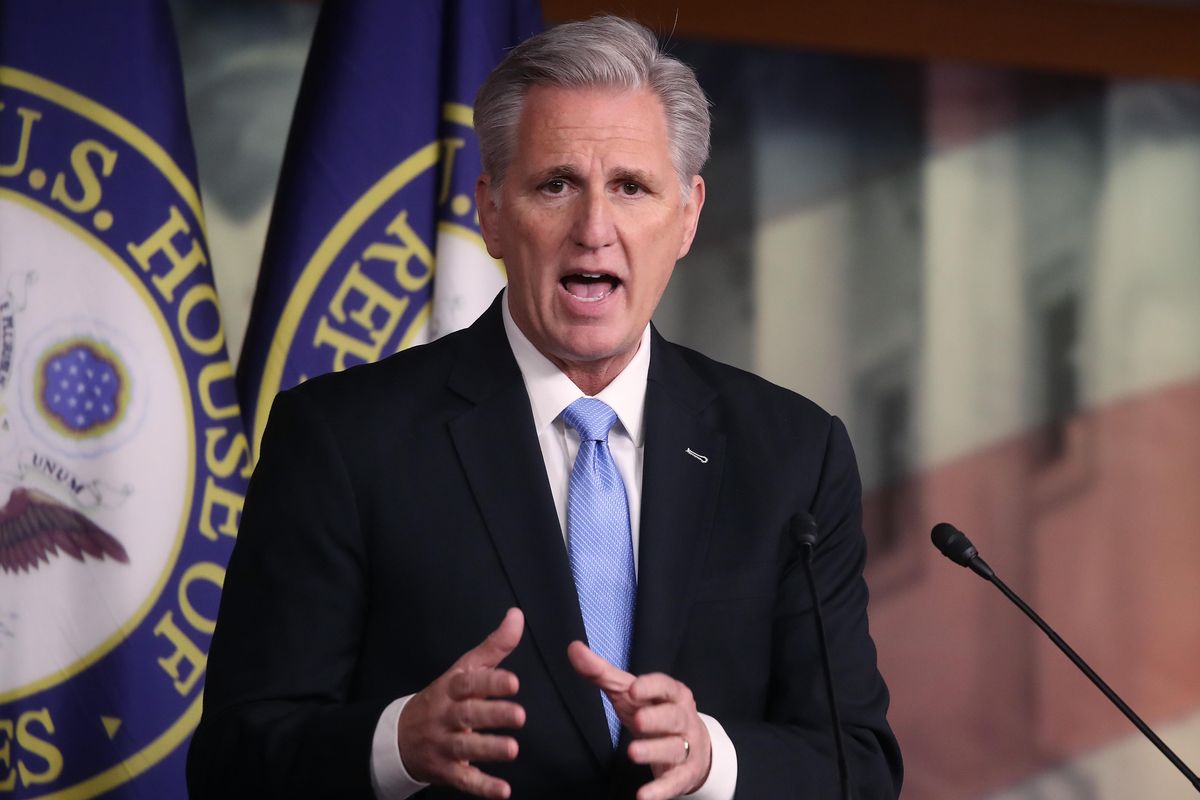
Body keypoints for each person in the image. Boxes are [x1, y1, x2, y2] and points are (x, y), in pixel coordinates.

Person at [188, 15, 902, 800]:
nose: (594, 230)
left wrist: (711, 759)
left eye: (631, 187)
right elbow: (232, 762)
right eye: (555, 184)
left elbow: (858, 765)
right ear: (492, 211)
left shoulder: (793, 454)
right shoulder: (341, 441)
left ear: (689, 215)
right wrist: (398, 740)